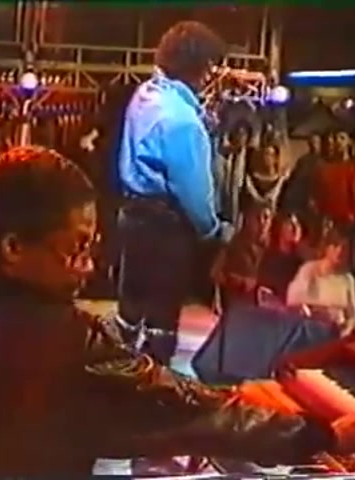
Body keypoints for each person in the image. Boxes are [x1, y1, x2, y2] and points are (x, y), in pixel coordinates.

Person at [0, 145, 355, 476]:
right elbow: (192, 410)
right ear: (13, 248)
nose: (87, 267)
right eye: (76, 247)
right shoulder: (66, 341)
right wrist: (326, 434)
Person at [115, 21, 234, 365]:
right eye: (211, 66)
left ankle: (116, 376)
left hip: (132, 217)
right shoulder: (182, 120)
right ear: (199, 66)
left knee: (130, 310)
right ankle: (153, 386)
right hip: (165, 228)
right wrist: (214, 230)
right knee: (160, 322)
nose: (212, 76)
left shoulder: (145, 95)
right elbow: (194, 193)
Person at [287, 229, 355, 336]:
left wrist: (347, 329)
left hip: (340, 334)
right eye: (335, 246)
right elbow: (293, 301)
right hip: (312, 331)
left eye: (345, 248)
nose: (340, 251)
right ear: (327, 248)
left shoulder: (347, 279)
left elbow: (354, 315)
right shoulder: (308, 270)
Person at [210, 204, 273, 314]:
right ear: (247, 220)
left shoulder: (275, 249)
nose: (262, 222)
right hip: (238, 308)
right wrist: (238, 281)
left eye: (266, 217)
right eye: (257, 217)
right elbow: (215, 274)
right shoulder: (232, 245)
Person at [257, 215, 305, 309]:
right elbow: (264, 294)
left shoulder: (299, 262)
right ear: (279, 229)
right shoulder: (269, 260)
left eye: (297, 224)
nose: (295, 228)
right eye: (290, 224)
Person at [279, 133, 323, 219]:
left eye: (316, 142)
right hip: (300, 192)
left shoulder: (322, 160)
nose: (313, 144)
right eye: (311, 142)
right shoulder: (303, 160)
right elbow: (295, 175)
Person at [242, 143, 290, 215]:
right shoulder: (253, 179)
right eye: (266, 154)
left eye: (271, 155)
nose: (268, 157)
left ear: (276, 158)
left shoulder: (283, 180)